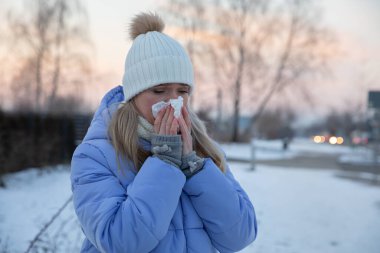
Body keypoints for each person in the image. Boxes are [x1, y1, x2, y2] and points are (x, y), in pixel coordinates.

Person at [71, 12, 257, 253]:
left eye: (182, 91)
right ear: (134, 95)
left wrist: (194, 169)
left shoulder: (204, 150)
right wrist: (164, 163)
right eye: (159, 90)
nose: (172, 101)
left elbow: (239, 236)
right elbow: (119, 243)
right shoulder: (96, 155)